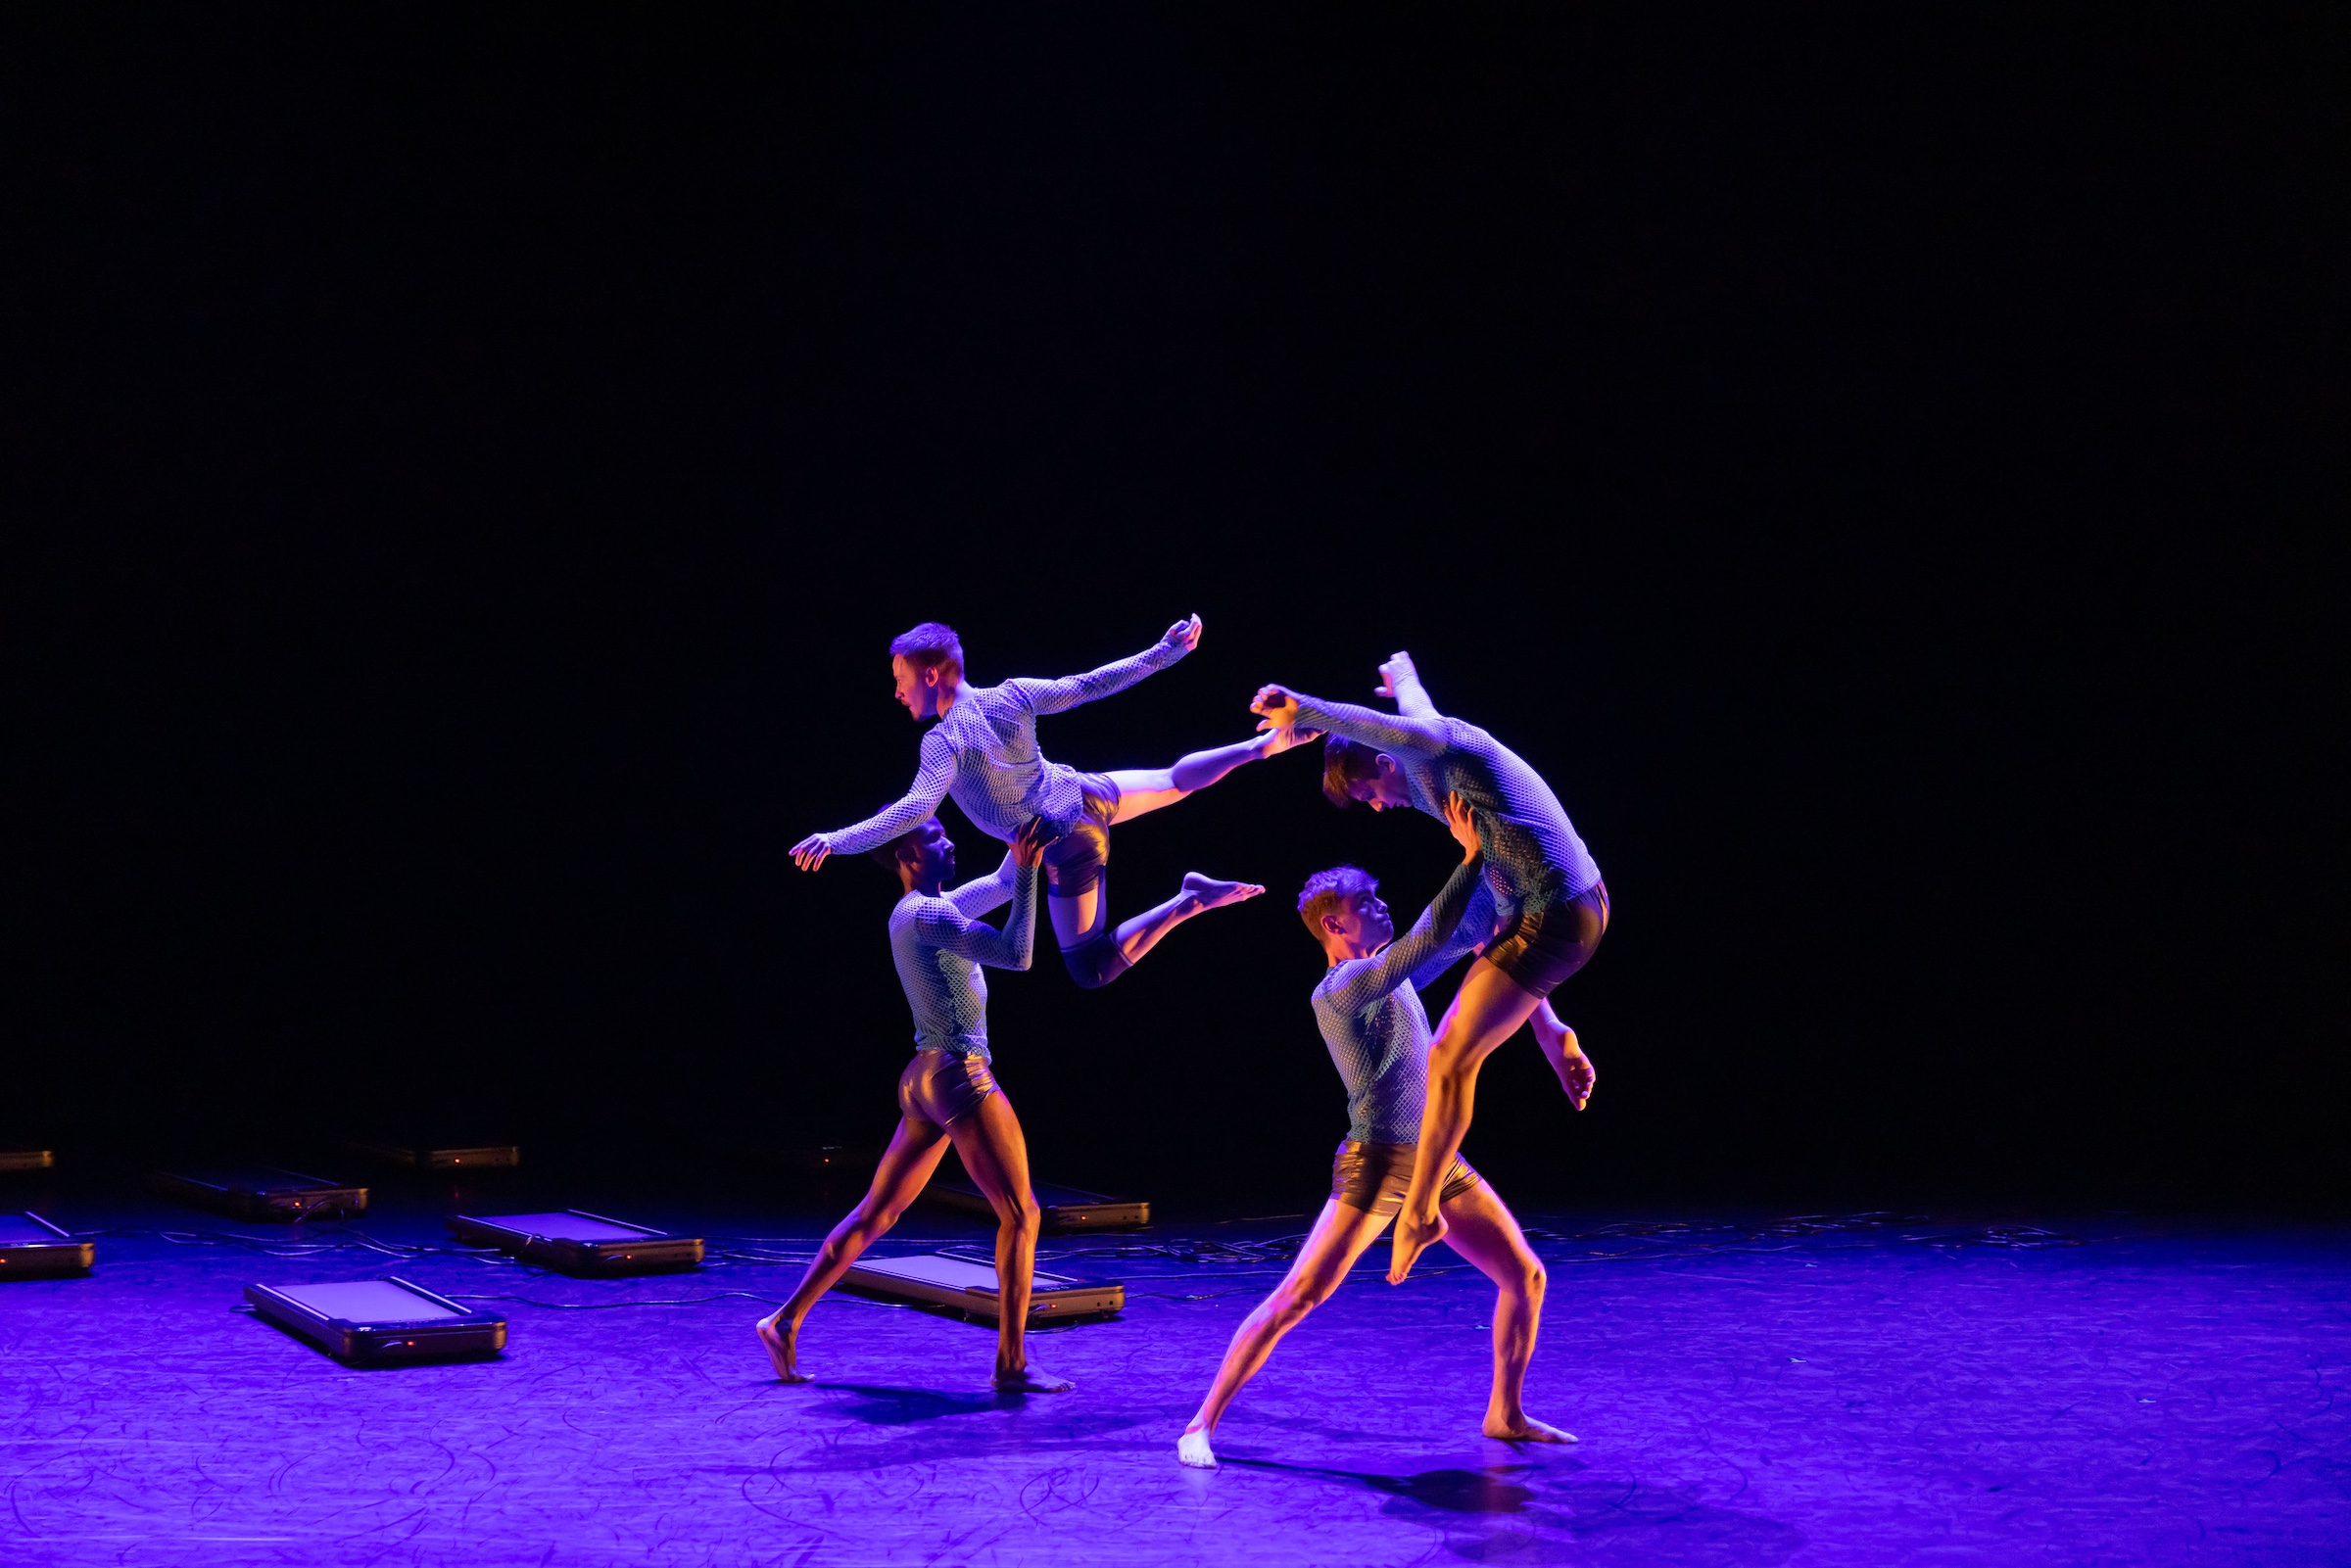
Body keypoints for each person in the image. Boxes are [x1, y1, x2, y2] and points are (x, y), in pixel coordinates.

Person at [1176, 792, 1574, 1467]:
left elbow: (1470, 933)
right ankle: (1199, 1423)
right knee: (1298, 1295)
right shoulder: (1338, 990)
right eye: (1368, 899)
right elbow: (1428, 934)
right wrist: (1472, 854)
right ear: (1334, 921)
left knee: (1525, 1276)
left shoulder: (1395, 975)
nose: (1382, 903)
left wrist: (1501, 867)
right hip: (1377, 1164)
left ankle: (1504, 1412)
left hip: (1437, 1159)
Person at [1249, 651, 1604, 1285]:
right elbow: (1411, 706)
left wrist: (1303, 708)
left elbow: (1400, 727)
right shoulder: (1436, 769)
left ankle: (1418, 1212)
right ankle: (1551, 1029)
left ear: (1386, 765)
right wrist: (1403, 673)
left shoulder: (1435, 749)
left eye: (1368, 793)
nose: (1378, 807)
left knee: (1447, 1057)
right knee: (1418, 960)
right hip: (1542, 906)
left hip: (1556, 911)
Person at [792, 616, 1312, 986]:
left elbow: (914, 809)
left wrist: (834, 840)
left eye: (901, 680)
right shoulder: (1012, 693)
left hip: (1066, 844)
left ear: (931, 675)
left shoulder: (943, 740)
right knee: (1176, 779)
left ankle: (1188, 900)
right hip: (1081, 793)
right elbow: (1086, 685)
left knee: (1090, 967)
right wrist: (1164, 653)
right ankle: (1263, 745)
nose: (898, 693)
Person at [755, 814, 1075, 1393]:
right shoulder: (928, 914)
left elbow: (1001, 883)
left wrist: (1023, 846)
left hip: (922, 1080)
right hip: (959, 1074)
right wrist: (1028, 874)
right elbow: (1017, 953)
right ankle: (1013, 1364)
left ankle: (784, 1320)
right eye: (936, 839)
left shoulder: (926, 910)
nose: (951, 842)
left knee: (878, 1212)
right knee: (1022, 1214)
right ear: (906, 857)